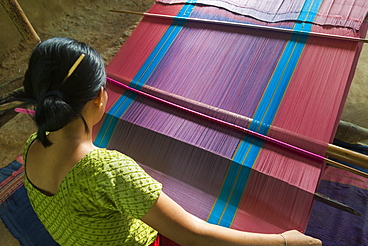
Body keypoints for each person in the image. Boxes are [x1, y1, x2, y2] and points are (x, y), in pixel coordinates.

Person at [3, 37, 322, 246]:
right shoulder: (107, 172)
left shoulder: (34, 144)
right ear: (100, 98)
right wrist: (284, 241)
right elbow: (195, 235)